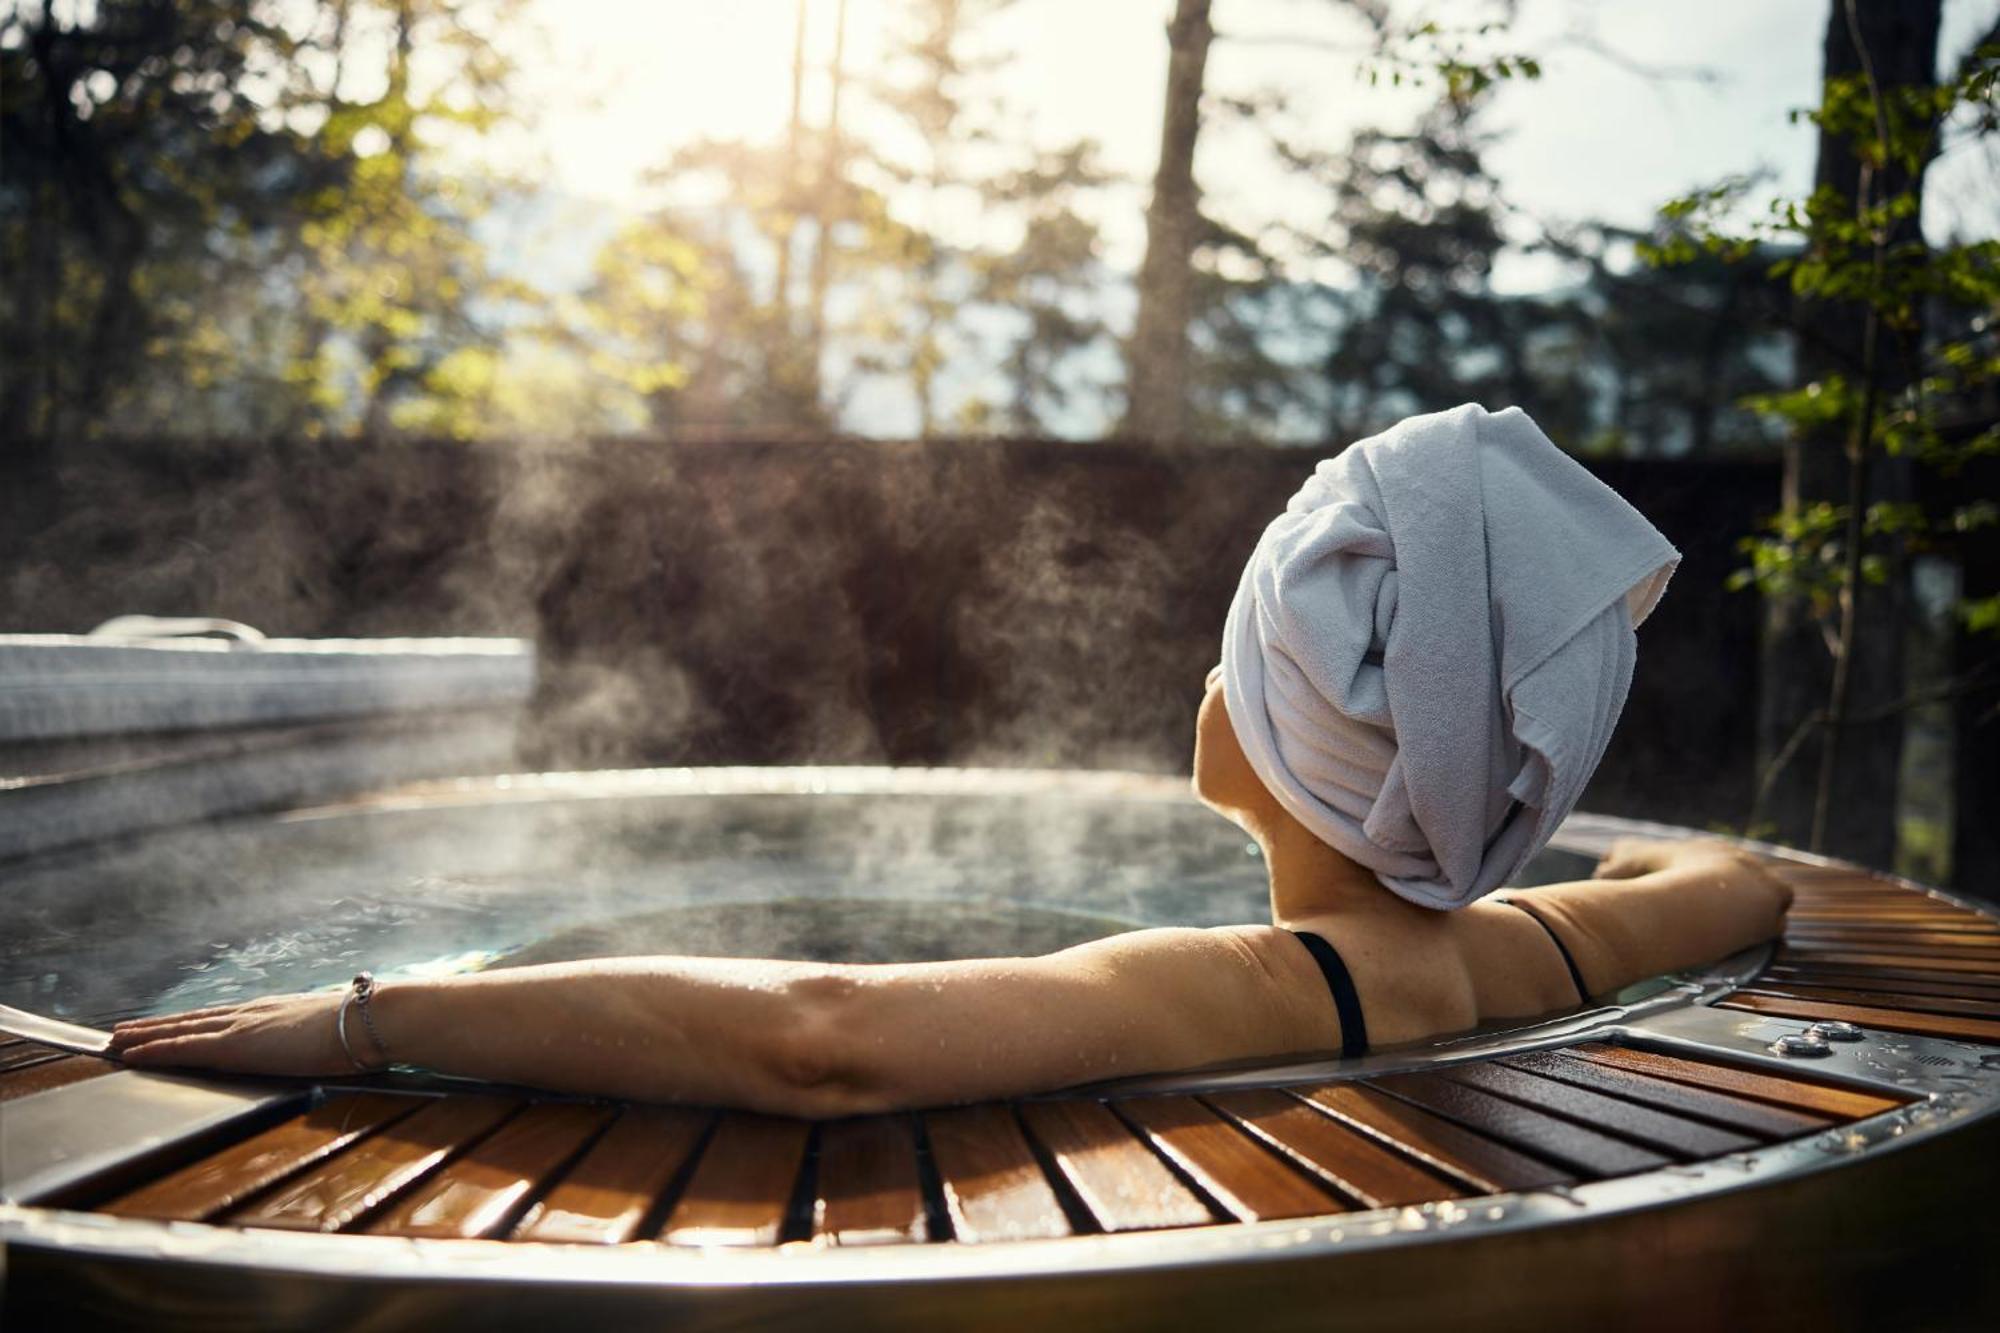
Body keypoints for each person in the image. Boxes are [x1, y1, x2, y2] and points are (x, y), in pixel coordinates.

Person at [110, 406, 1791, 1116]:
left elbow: (824, 1038)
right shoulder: (1532, 949)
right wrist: (1590, 858)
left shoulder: (1257, 985)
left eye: (1241, 646)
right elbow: (1743, 883)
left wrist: (371, 1014)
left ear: (1280, 731)